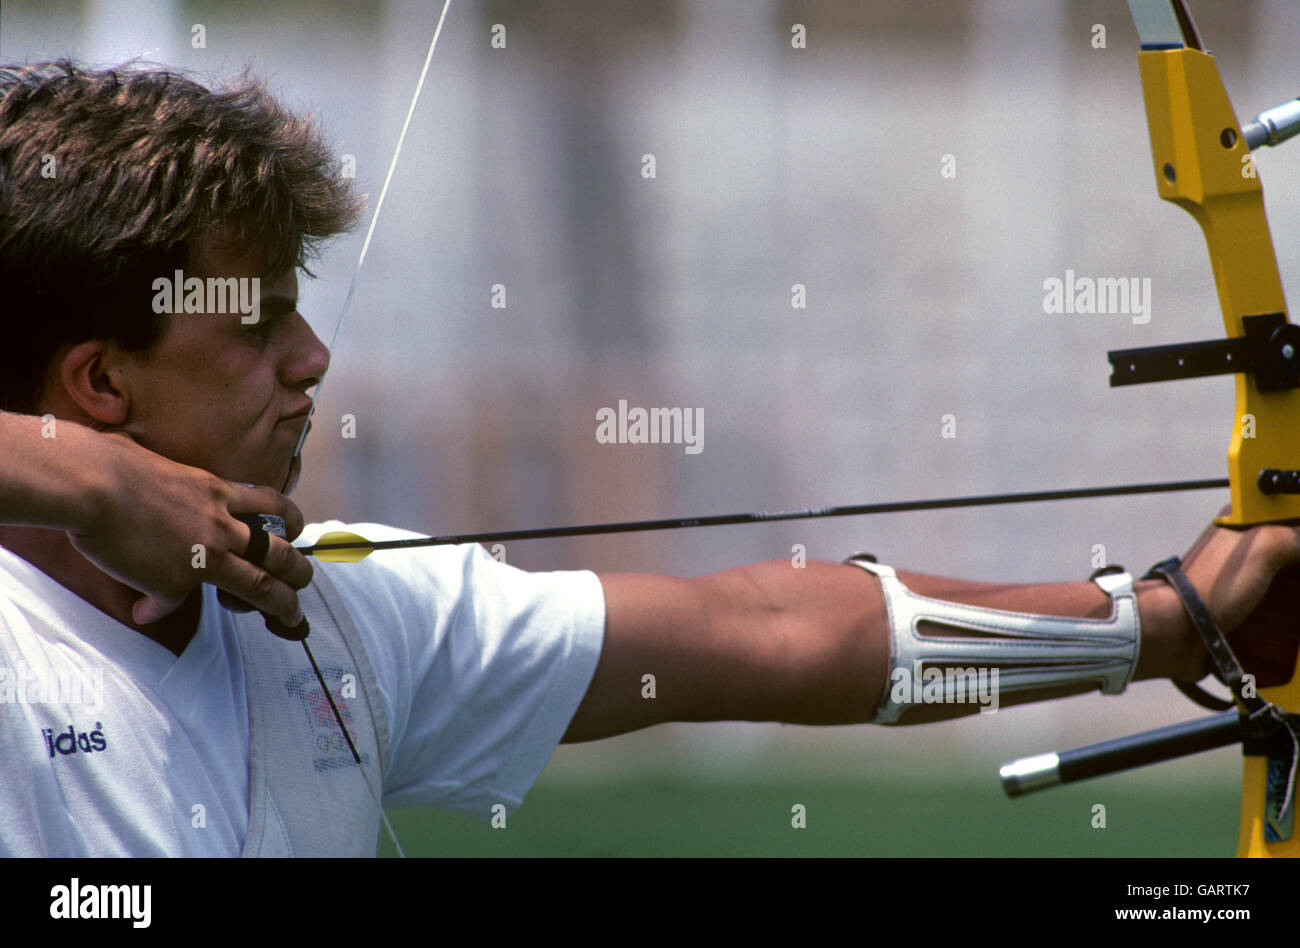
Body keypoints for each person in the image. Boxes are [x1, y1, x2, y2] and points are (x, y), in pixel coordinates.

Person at [1, 60, 1296, 856]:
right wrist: (86, 484)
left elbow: (774, 632)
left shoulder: (335, 611)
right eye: (254, 325)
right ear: (99, 382)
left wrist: (1164, 625)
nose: (314, 359)